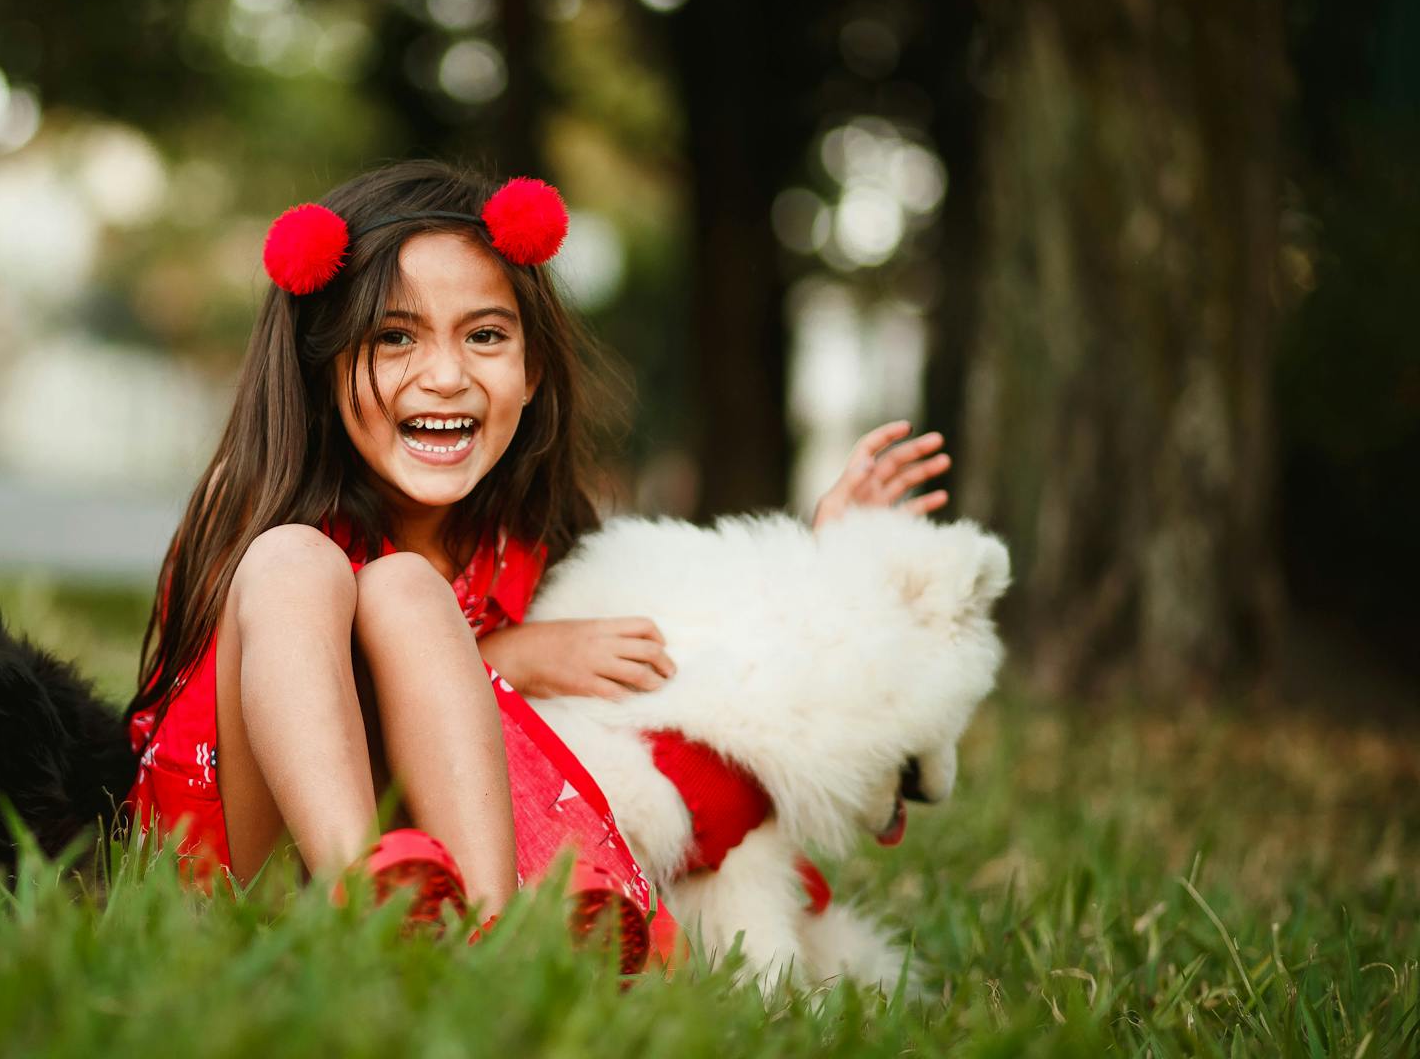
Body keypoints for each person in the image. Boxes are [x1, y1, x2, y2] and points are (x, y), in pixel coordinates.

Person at [122, 160, 951, 958]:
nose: (445, 375)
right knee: (310, 569)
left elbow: (708, 688)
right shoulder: (261, 502)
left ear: (532, 372)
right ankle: (354, 896)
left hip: (434, 871)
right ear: (321, 367)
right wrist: (511, 656)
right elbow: (298, 684)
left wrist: (823, 564)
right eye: (393, 338)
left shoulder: (526, 541)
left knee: (408, 590)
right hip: (247, 868)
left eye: (485, 336)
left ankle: (493, 930)